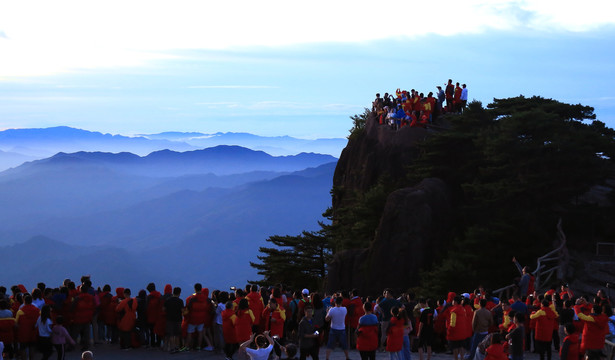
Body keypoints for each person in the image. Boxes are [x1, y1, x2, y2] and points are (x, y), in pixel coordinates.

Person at [325, 296, 349, 360]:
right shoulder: (344, 309)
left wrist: (327, 312)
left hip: (333, 328)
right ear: (341, 302)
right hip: (342, 328)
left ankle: (327, 357)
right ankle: (347, 357)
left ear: (335, 302)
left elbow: (327, 319)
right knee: (344, 344)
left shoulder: (332, 310)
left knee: (330, 344)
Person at [164, 287, 184, 353]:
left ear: (173, 292)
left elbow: (163, 309)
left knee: (171, 334)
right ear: (179, 293)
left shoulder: (168, 300)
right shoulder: (180, 301)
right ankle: (177, 347)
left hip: (169, 319)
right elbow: (183, 311)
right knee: (177, 334)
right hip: (178, 319)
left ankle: (172, 348)